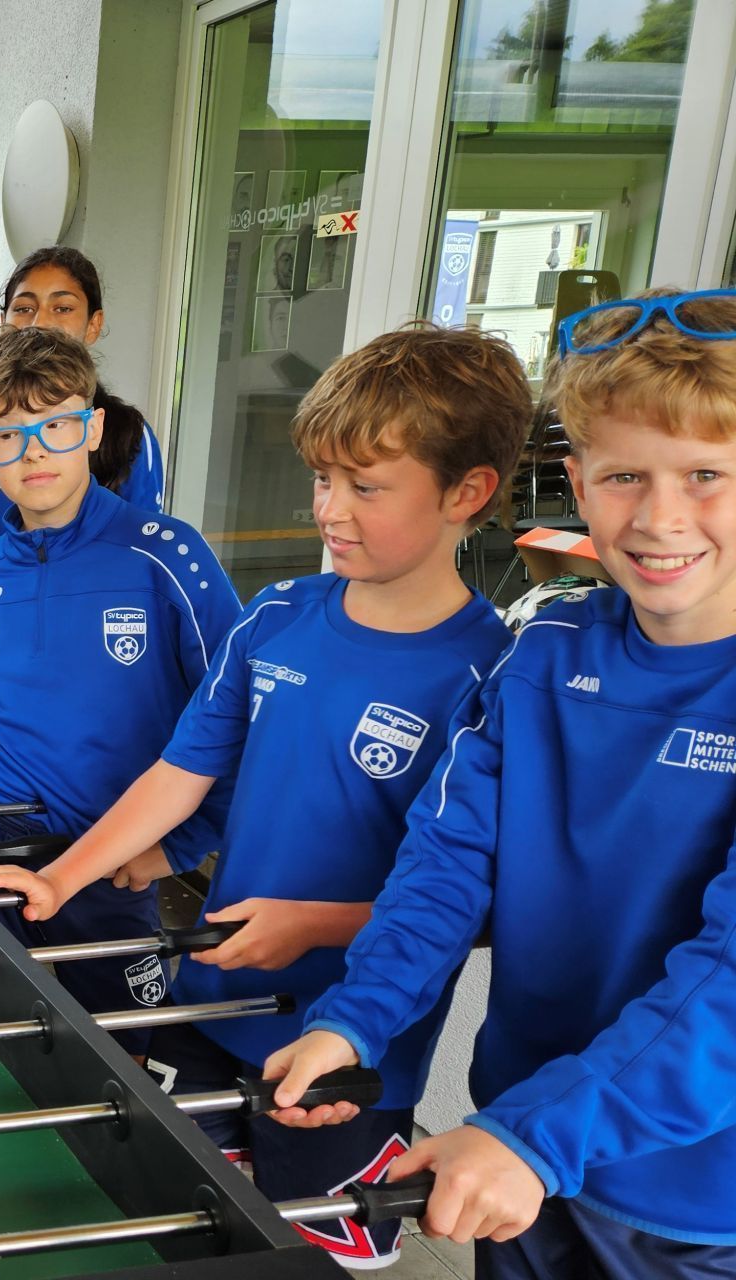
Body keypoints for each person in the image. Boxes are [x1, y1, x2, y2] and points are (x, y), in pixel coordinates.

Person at [0, 325, 529, 1270]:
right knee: (188, 1231)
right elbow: (178, 776)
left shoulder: (493, 677)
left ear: (467, 493)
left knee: (307, 1256)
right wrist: (60, 880)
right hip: (208, 999)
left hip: (350, 1044)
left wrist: (316, 924)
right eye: (321, 480)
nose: (330, 512)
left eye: (366, 487)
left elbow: (477, 902)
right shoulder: (275, 619)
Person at [263, 290, 736, 1274]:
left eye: (703, 474)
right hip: (516, 1151)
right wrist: (357, 1013)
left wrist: (536, 1134)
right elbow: (445, 862)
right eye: (620, 476)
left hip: (688, 1200)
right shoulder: (543, 653)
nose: (658, 518)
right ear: (573, 478)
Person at [0, 326, 239, 1055]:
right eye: (6, 436)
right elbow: (2, 702)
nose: (33, 450)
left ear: (93, 428)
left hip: (106, 863)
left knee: (122, 1068)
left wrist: (180, 849)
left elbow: (235, 718)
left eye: (55, 426)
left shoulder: (167, 556)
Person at [0, 245, 167, 543]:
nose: (41, 323)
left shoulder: (130, 436)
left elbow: (146, 549)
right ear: (3, 321)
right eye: (24, 309)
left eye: (62, 308)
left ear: (93, 324)